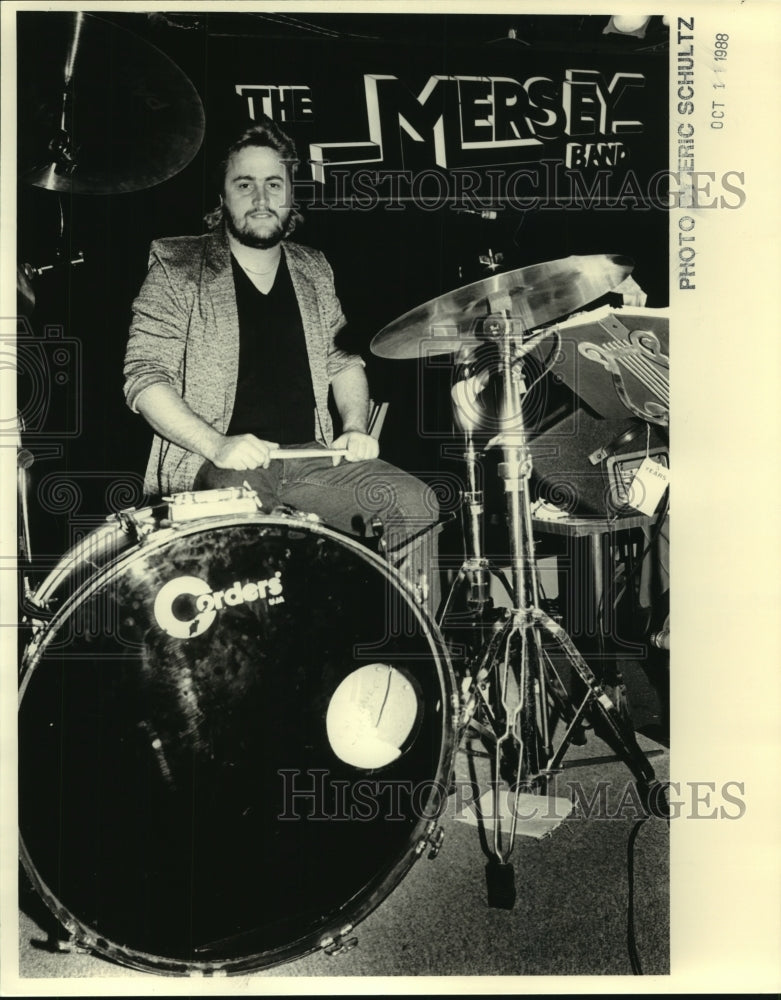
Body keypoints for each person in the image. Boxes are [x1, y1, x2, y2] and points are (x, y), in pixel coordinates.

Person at [123, 117, 439, 608]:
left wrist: (354, 426)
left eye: (274, 184)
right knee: (258, 557)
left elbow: (342, 360)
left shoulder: (314, 267)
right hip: (217, 465)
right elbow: (144, 378)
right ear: (223, 197)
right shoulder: (176, 264)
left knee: (415, 505)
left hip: (309, 458)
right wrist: (217, 443)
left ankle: (413, 661)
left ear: (291, 195)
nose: (260, 197)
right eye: (243, 184)